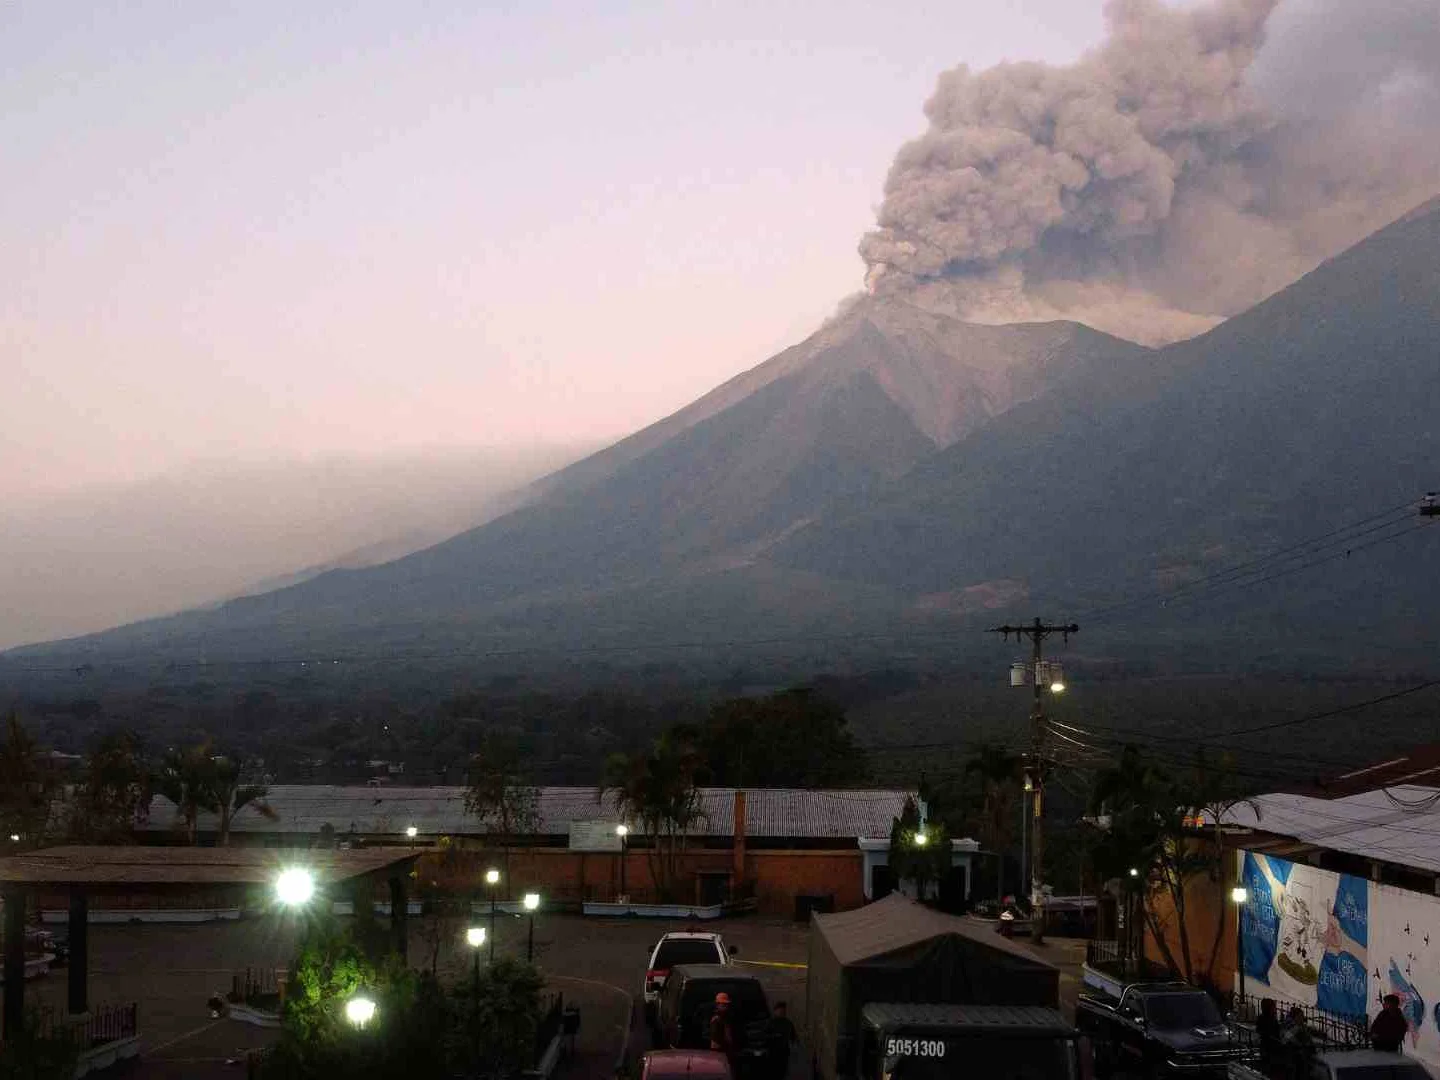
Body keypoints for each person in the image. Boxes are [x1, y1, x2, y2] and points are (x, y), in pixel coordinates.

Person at [1280, 1007, 1314, 1079]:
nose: (1303, 1018)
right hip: (1291, 1056)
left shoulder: (1292, 1024)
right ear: (1297, 1016)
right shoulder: (1293, 1026)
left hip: (1290, 1055)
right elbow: (1286, 1039)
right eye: (1301, 1016)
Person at [768, 1001, 798, 1079]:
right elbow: (766, 1036)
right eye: (780, 1010)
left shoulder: (788, 1023)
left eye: (783, 1011)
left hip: (783, 1053)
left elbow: (793, 1038)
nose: (782, 1012)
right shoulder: (771, 1023)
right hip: (773, 1053)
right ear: (775, 1011)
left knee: (782, 1073)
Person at [1255, 998, 1282, 1075]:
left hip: (1265, 1047)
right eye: (1274, 1006)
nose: (1276, 1008)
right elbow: (1274, 1033)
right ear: (1270, 1008)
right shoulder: (1270, 1020)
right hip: (1271, 1048)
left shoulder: (1262, 1017)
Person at [709, 992, 736, 1061]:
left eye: (726, 1005)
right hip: (719, 1052)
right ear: (717, 1005)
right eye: (723, 1005)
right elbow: (714, 1041)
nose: (726, 1007)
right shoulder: (716, 1019)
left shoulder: (726, 1018)